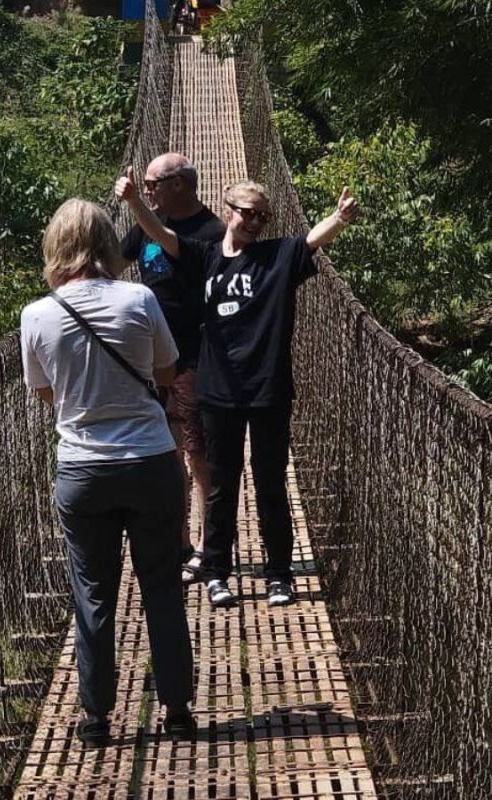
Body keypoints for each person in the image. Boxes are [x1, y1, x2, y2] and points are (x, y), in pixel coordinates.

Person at [115, 173, 358, 609]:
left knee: (269, 484)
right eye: (248, 213)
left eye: (262, 216)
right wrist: (136, 202)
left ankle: (279, 574)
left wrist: (338, 219)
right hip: (217, 390)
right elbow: (164, 236)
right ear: (228, 211)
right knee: (223, 486)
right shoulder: (205, 256)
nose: (255, 222)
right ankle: (217, 573)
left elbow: (310, 242)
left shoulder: (277, 256)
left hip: (267, 389)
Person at [20, 198, 195, 744]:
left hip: (83, 469)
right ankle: (178, 712)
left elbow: (47, 393)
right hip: (149, 459)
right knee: (161, 587)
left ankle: (95, 718)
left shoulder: (37, 314)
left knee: (92, 594)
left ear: (55, 247)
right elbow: (166, 370)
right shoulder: (139, 297)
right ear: (105, 244)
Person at [121, 154, 225, 584]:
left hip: (196, 356)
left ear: (179, 184)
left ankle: (208, 546)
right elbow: (112, 262)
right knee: (168, 452)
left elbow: (169, 244)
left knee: (199, 453)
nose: (147, 191)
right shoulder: (150, 220)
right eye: (143, 186)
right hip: (149, 360)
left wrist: (135, 205)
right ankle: (178, 541)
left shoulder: (212, 232)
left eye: (152, 184)